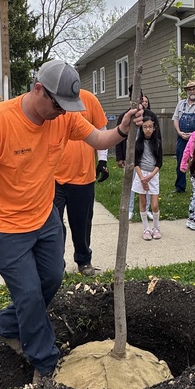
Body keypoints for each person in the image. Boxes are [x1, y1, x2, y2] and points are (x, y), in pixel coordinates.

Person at [0, 60, 142, 381]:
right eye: (58, 104)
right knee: (29, 295)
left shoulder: (63, 117)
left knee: (52, 279)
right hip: (7, 227)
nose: (63, 112)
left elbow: (97, 139)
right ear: (38, 89)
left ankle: (6, 326)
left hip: (45, 218)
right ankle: (46, 364)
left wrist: (122, 129)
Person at [54, 87, 108, 276]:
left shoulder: (89, 99)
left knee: (82, 223)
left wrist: (102, 160)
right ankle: (55, 264)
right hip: (54, 176)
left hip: (83, 175)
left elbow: (101, 128)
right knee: (53, 223)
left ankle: (84, 260)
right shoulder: (53, 99)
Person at [116, 91, 150, 220]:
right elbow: (118, 138)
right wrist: (120, 157)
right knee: (129, 182)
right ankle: (129, 209)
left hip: (145, 156)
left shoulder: (148, 115)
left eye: (140, 99)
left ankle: (146, 209)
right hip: (129, 155)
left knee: (146, 182)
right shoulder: (124, 116)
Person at [172, 80, 195, 193]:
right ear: (187, 91)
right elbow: (175, 119)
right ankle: (180, 186)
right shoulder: (181, 104)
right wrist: (179, 132)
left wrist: (194, 135)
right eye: (190, 89)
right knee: (180, 161)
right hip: (182, 138)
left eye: (194, 89)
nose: (192, 91)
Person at [131, 111, 163, 240]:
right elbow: (135, 162)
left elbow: (159, 163)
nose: (148, 129)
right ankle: (146, 228)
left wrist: (150, 177)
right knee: (143, 202)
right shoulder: (138, 143)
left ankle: (156, 227)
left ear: (154, 127)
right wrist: (142, 178)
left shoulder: (158, 143)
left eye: (150, 126)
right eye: (145, 127)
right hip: (141, 174)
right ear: (141, 128)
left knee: (154, 204)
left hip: (153, 175)